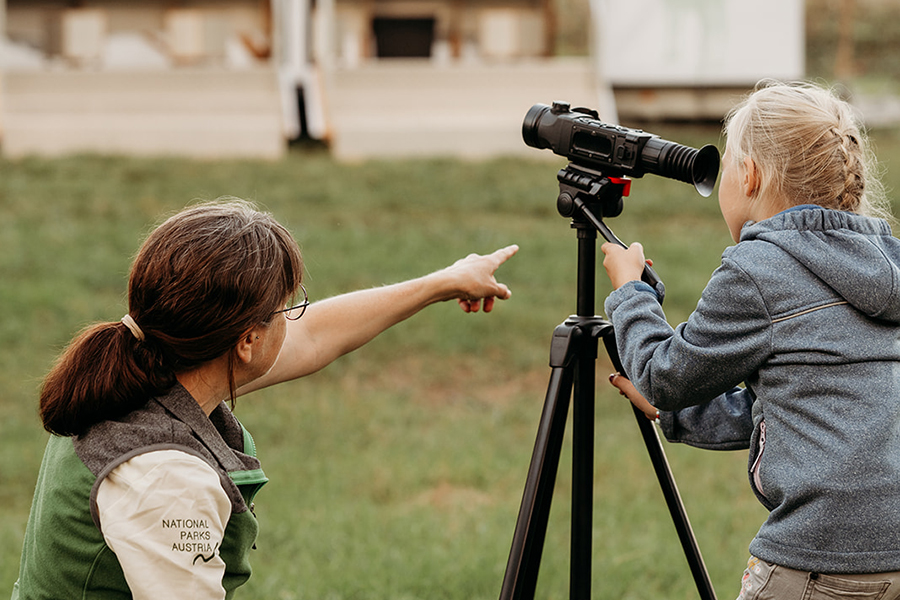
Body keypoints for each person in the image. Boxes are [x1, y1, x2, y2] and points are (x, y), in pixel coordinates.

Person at [12, 199, 518, 600]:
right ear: (247, 341)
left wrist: (440, 283)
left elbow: (315, 337)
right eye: (287, 308)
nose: (297, 317)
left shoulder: (144, 368)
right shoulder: (166, 479)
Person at [601, 80, 900, 599]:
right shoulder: (887, 267)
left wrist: (630, 293)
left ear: (750, 174)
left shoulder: (758, 269)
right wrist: (672, 414)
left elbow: (664, 375)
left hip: (816, 556)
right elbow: (800, 405)